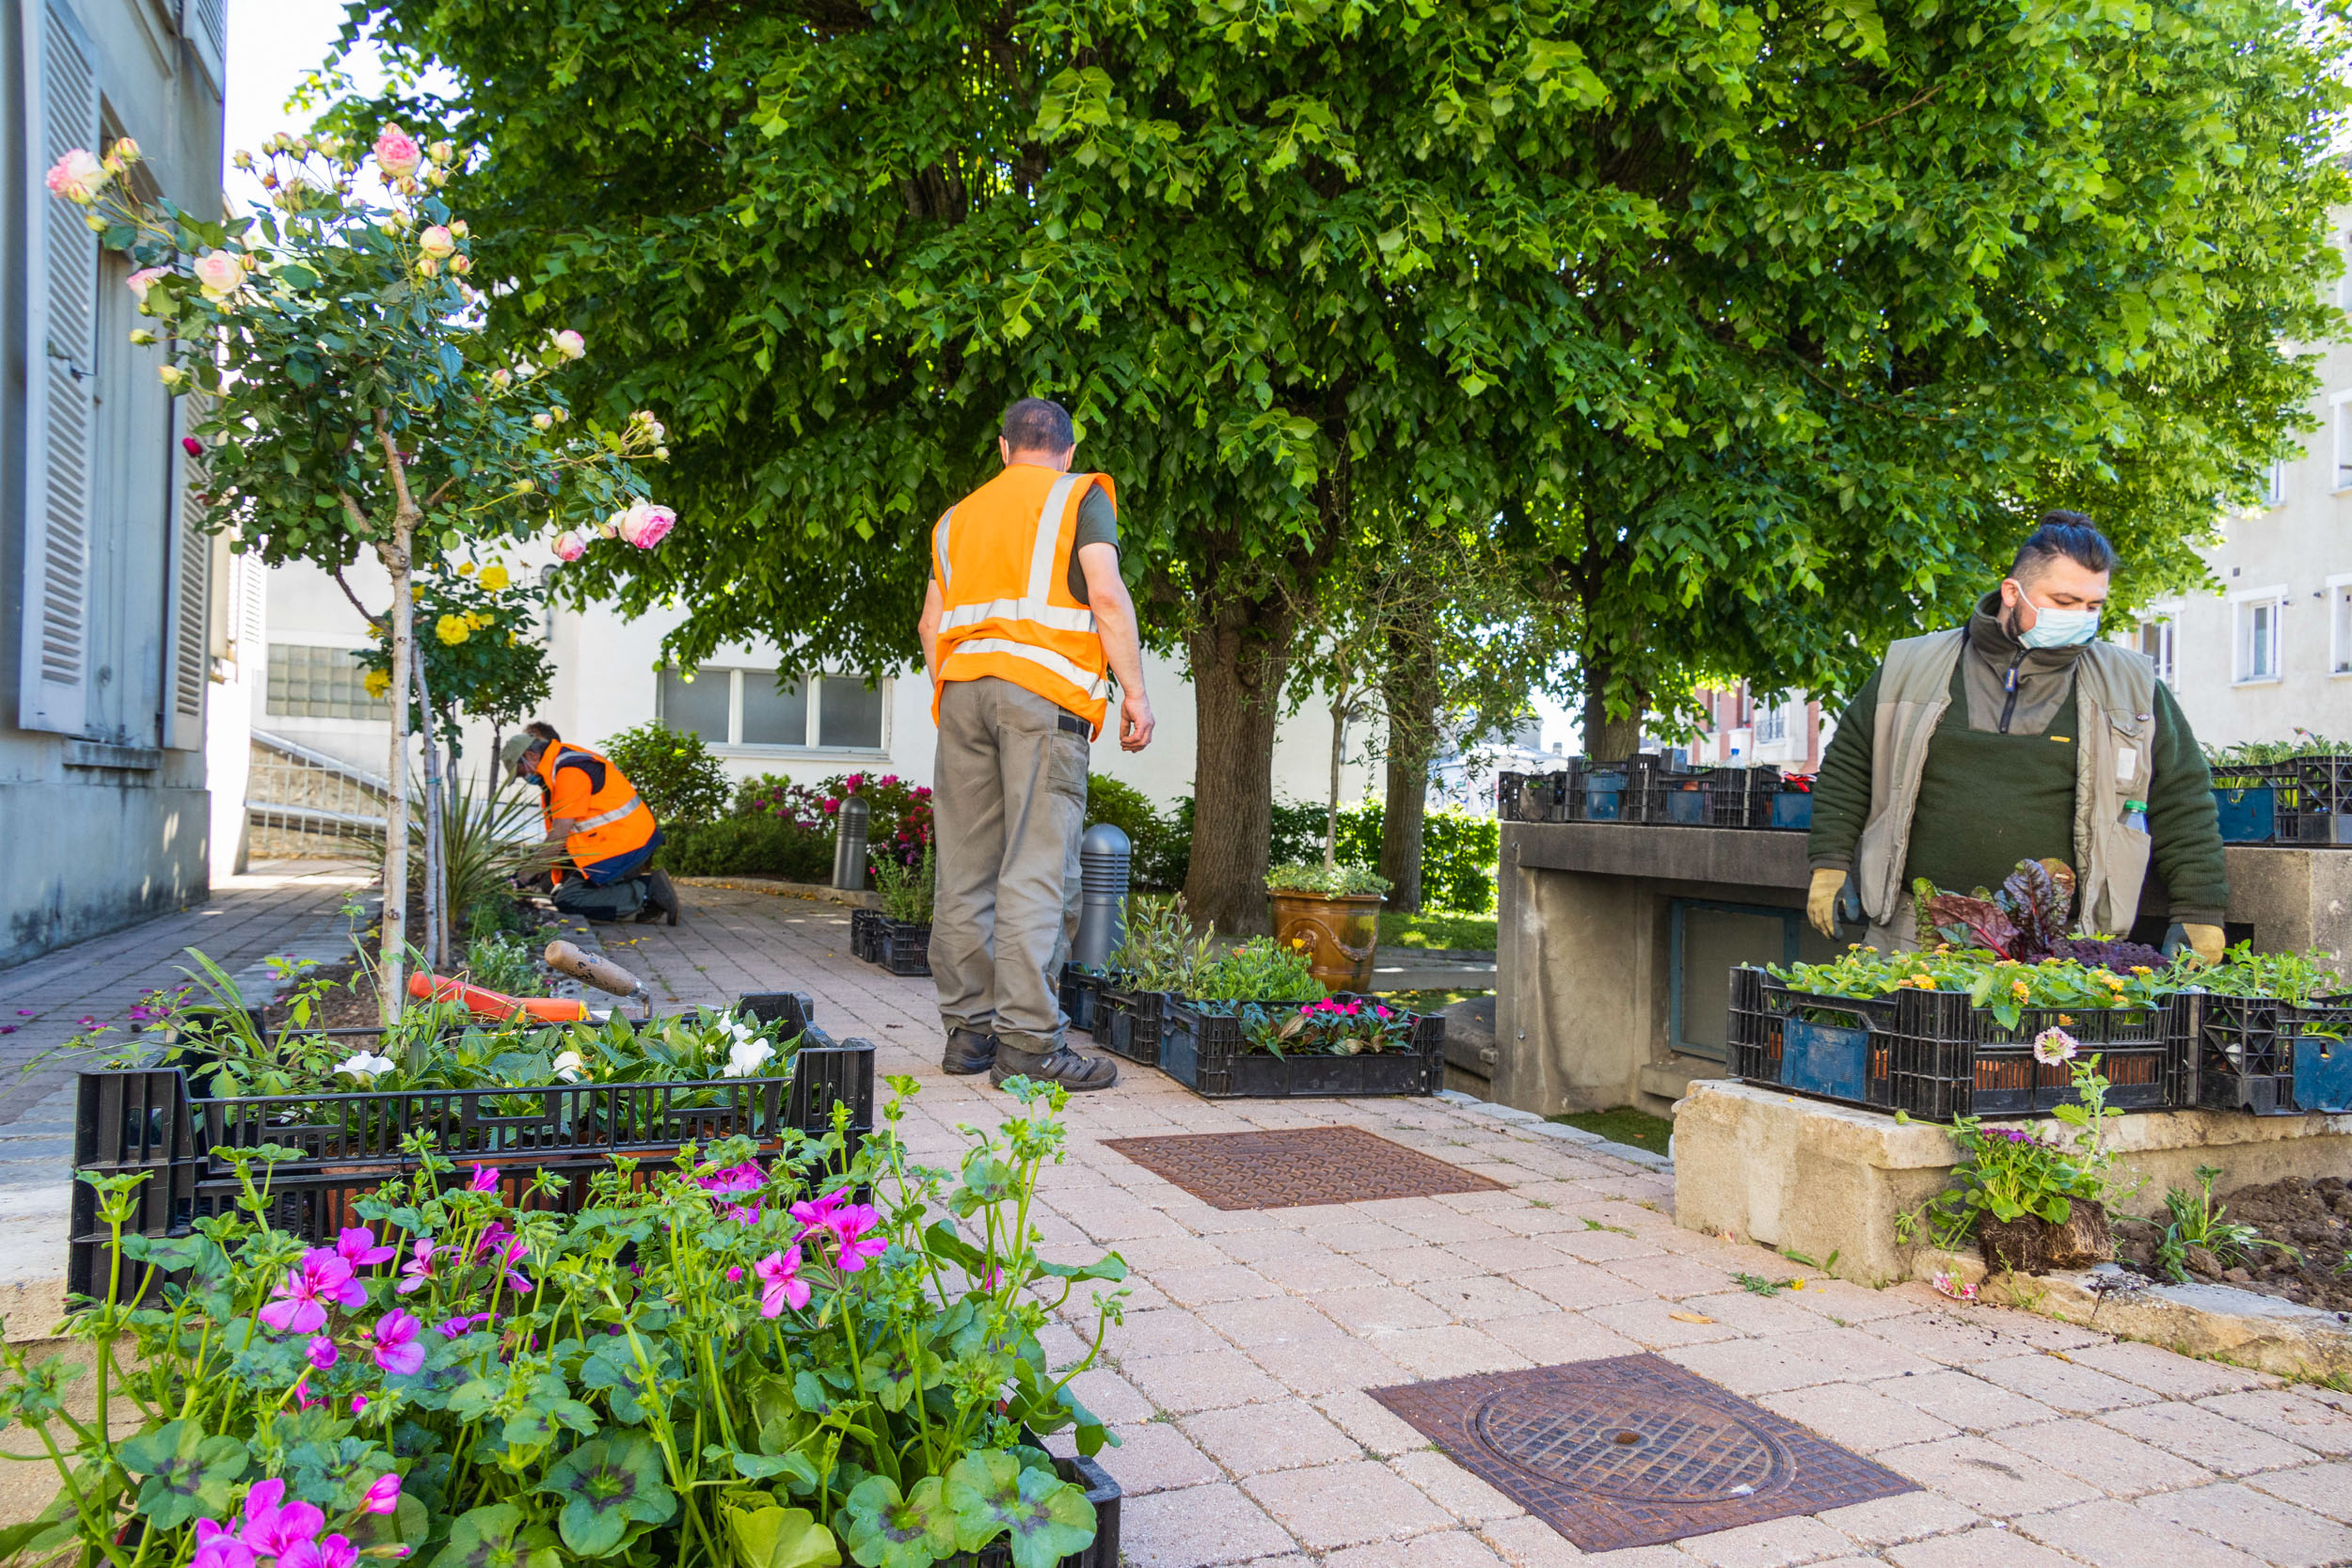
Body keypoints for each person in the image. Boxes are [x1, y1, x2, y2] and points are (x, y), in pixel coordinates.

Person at [1806, 515, 2227, 958]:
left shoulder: (2132, 684)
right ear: (2012, 592)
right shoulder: (1910, 667)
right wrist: (1829, 864)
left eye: (2093, 605)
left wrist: (2199, 908)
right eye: (2064, 601)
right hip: (1915, 931)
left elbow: (2182, 797)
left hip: (2061, 940)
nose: (2081, 618)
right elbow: (1850, 765)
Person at [916, 397, 1154, 1090]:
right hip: (1041, 697)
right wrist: (1134, 694)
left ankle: (968, 1035)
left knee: (964, 868)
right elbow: (1106, 596)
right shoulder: (1080, 496)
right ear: (1068, 451)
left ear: (1002, 447)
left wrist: (960, 689)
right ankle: (1027, 1044)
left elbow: (932, 625)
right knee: (1036, 867)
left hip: (962, 692)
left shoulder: (957, 519)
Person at [500, 724, 680, 926]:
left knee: (569, 900)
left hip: (625, 843)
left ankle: (648, 891)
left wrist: (521, 878)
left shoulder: (569, 773)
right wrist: (536, 871)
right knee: (549, 884)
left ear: (531, 755)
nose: (524, 777)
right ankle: (639, 893)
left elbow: (558, 836)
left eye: (521, 771)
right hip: (616, 839)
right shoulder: (560, 764)